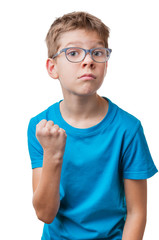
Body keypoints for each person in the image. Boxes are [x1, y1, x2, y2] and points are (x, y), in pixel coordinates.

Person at [27, 11, 158, 240]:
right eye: (73, 53)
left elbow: (137, 213)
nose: (88, 61)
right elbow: (45, 213)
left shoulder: (128, 129)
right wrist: (53, 154)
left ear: (105, 64)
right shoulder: (41, 127)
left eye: (97, 52)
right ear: (52, 68)